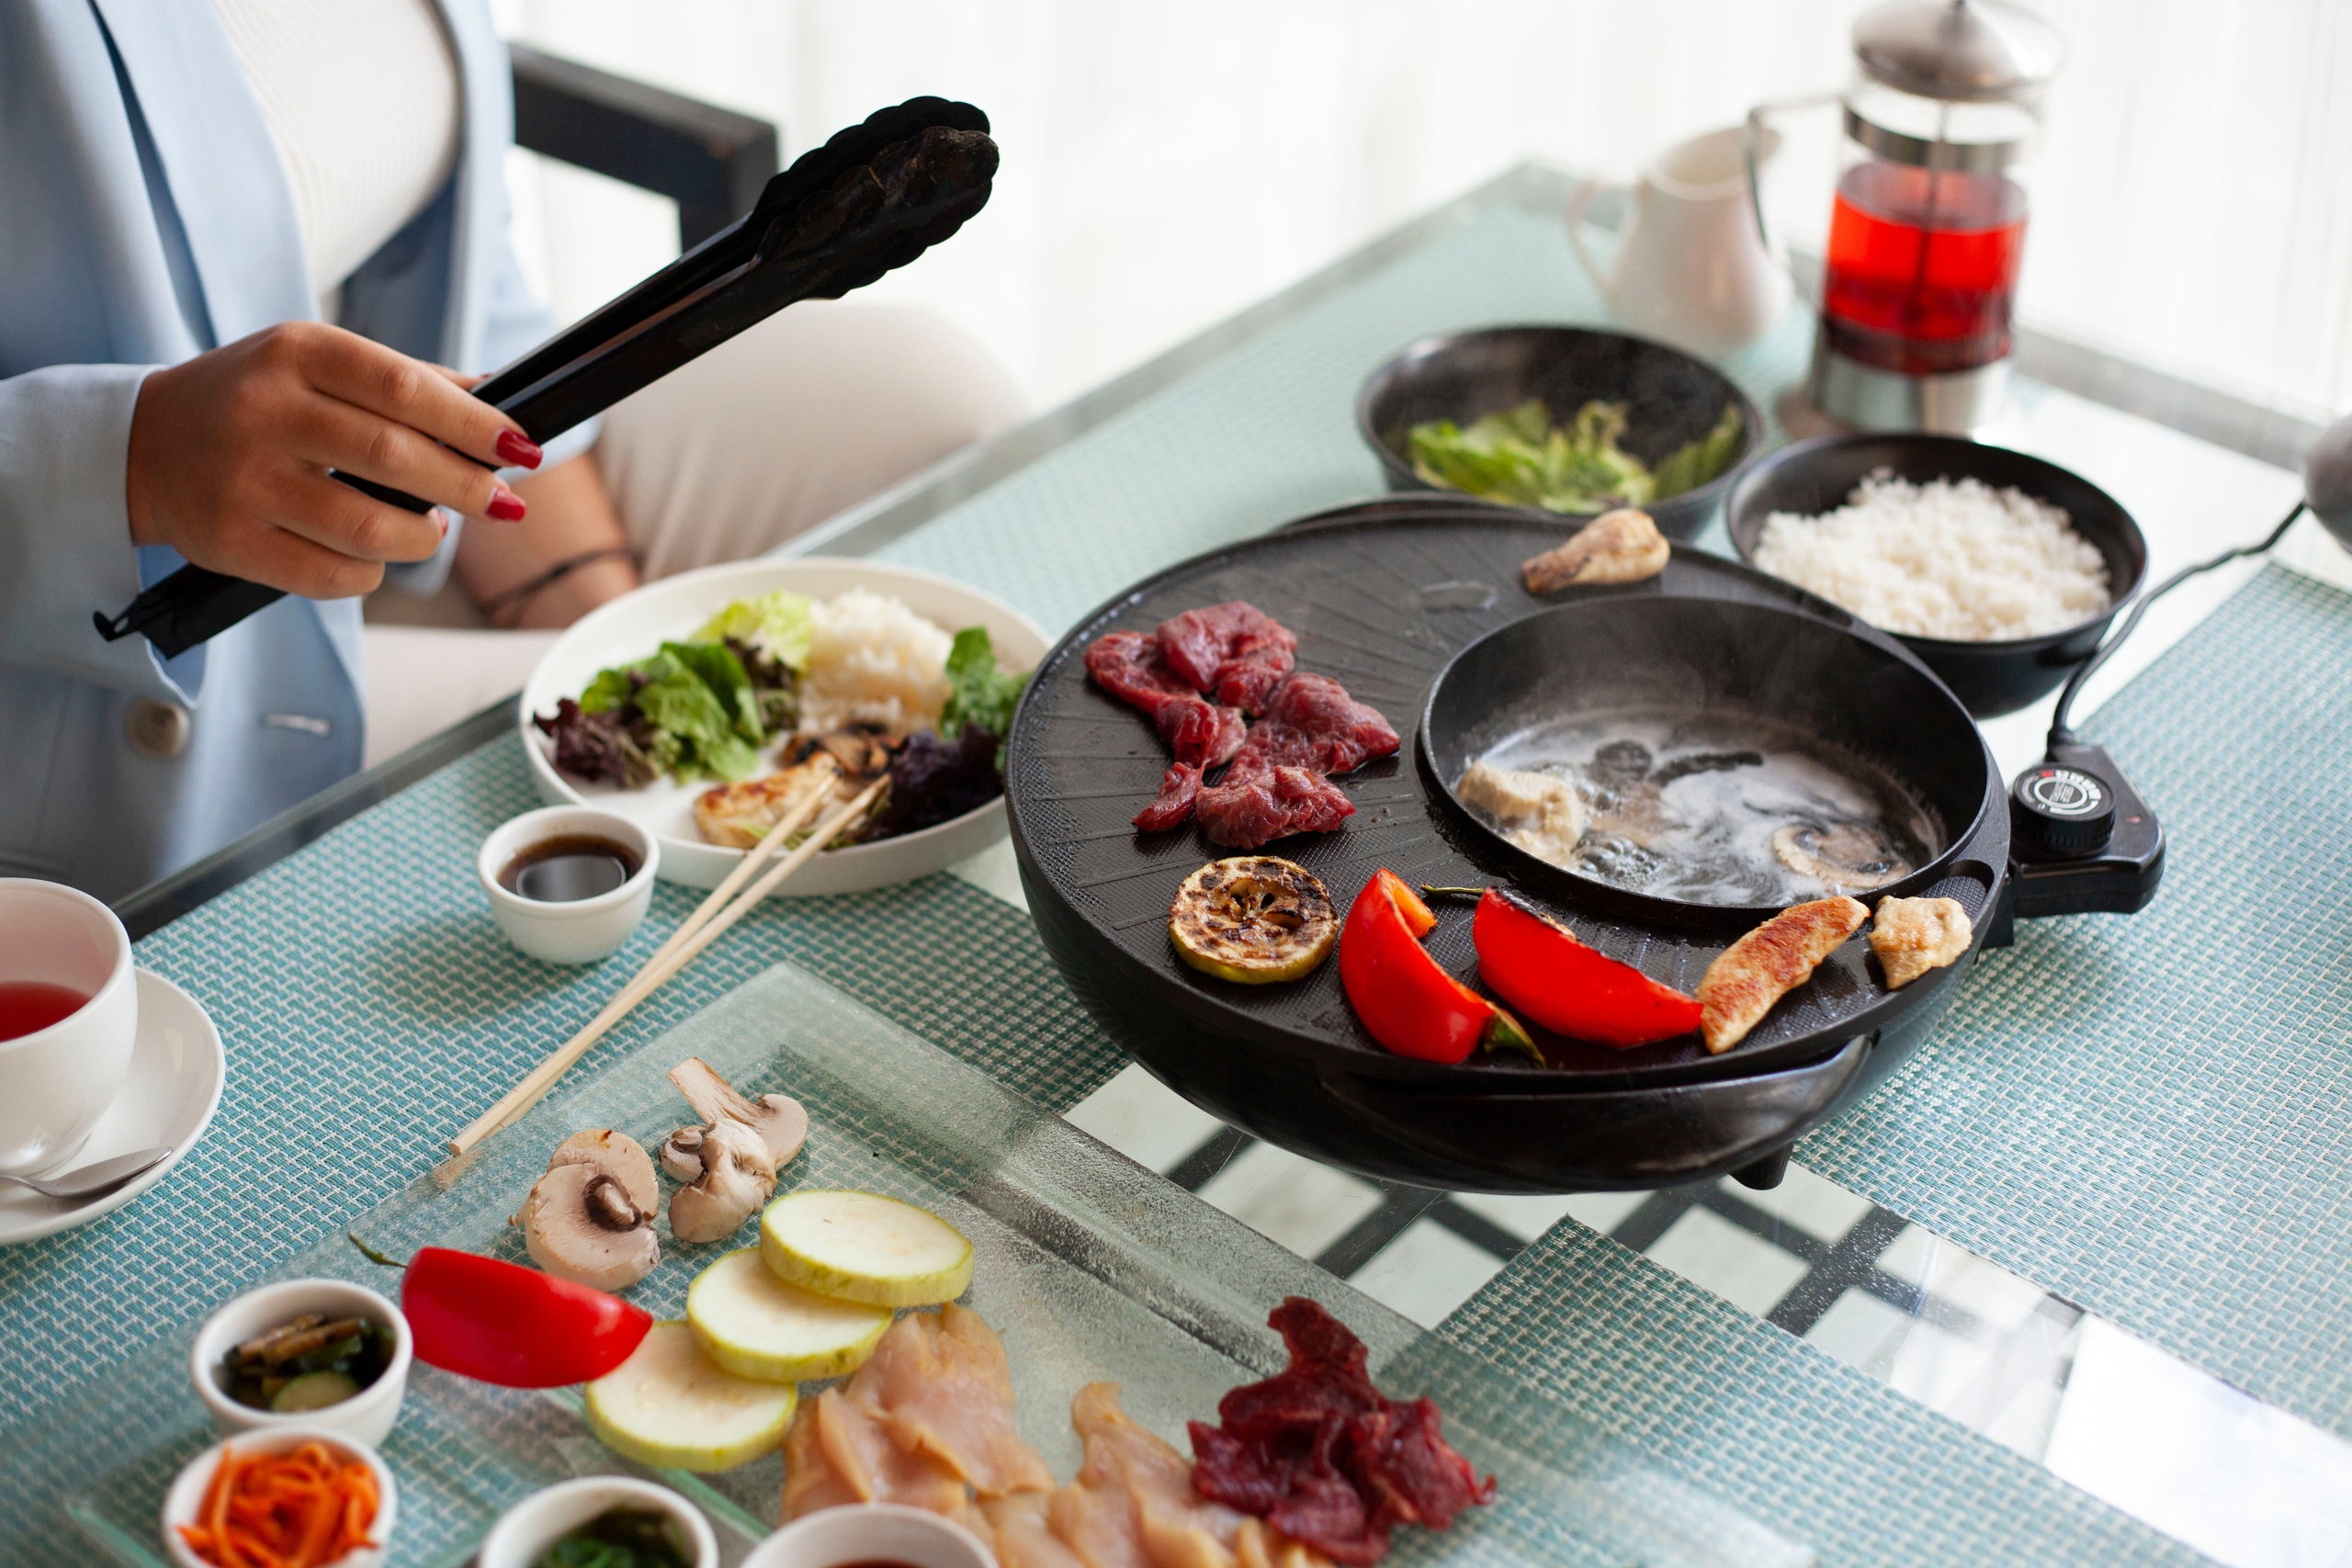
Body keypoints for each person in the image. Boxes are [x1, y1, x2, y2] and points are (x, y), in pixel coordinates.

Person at [0, 0, 1022, 901]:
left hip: (392, 474)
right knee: (652, 815)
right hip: (122, 616)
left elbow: (444, 242)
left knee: (942, 408)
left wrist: (587, 601)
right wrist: (130, 461)